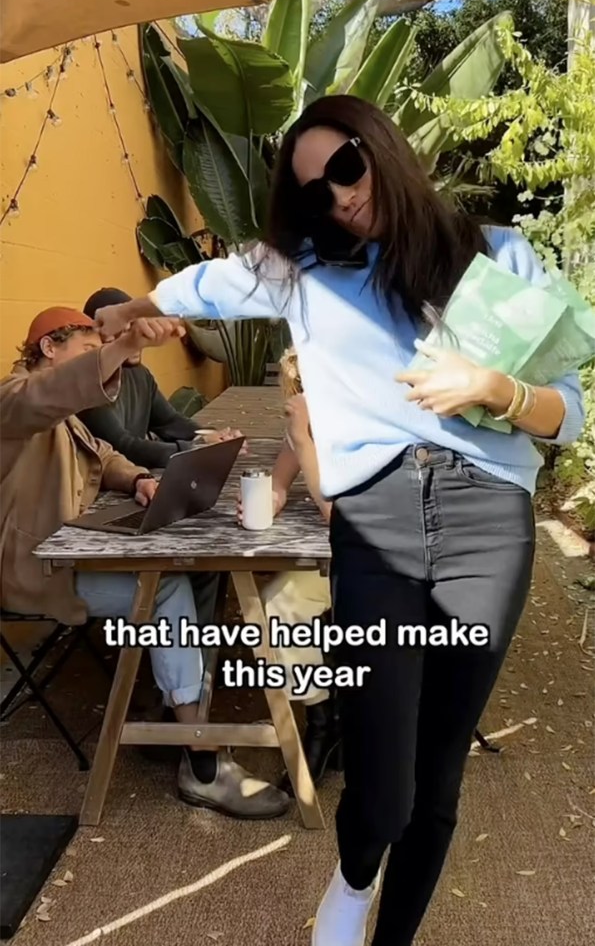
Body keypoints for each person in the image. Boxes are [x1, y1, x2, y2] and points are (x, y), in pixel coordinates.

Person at [91, 95, 585, 946]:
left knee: (437, 778)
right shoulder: (307, 274)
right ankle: (355, 881)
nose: (339, 197)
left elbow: (566, 415)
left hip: (486, 523)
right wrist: (130, 312)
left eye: (346, 169)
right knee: (383, 776)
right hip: (377, 521)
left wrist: (492, 389)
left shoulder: (496, 254)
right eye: (314, 192)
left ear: (380, 149)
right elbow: (205, 282)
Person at [0, 306, 288, 821]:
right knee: (166, 587)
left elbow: (103, 453)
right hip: (35, 571)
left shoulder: (60, 415)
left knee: (194, 576)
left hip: (75, 553)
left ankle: (173, 704)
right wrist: (124, 344)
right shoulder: (13, 402)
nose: (100, 369)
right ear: (49, 349)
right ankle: (200, 759)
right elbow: (49, 398)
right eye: (87, 354)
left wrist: (136, 480)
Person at [237, 347, 342, 788]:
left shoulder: (366, 426)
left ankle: (325, 724)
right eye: (298, 390)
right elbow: (279, 482)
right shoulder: (310, 426)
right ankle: (323, 717)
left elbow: (339, 516)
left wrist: (304, 441)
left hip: (385, 563)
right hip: (336, 560)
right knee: (272, 601)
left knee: (283, 604)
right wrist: (268, 500)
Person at [79, 287, 244, 469]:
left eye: (138, 325)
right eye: (127, 329)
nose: (139, 335)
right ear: (102, 335)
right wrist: (196, 448)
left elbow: (169, 421)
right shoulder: (92, 386)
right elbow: (124, 447)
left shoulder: (140, 374)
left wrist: (213, 437)